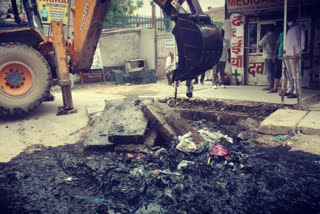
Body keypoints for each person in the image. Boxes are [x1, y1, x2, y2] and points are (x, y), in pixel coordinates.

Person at [284, 19, 305, 98]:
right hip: (288, 54)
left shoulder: (299, 27)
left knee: (295, 73)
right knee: (289, 73)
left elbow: (302, 40)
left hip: (294, 53)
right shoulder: (290, 29)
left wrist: (299, 52)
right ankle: (290, 89)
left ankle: (297, 91)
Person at [259, 25, 277, 91]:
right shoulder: (276, 36)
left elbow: (260, 45)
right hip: (275, 56)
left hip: (268, 56)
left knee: (269, 72)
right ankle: (274, 86)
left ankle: (270, 86)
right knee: (274, 72)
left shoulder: (266, 37)